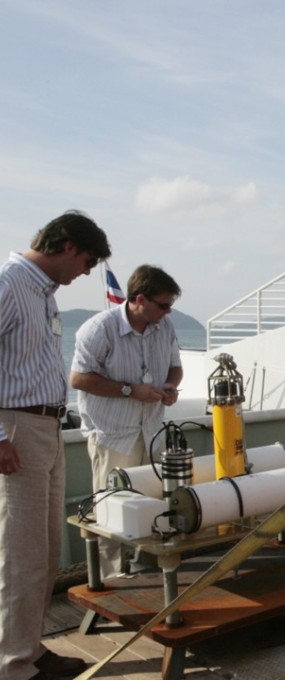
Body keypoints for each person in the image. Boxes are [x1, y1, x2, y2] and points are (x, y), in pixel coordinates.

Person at [0, 210, 110, 680]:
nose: (84, 272)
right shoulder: (9, 284)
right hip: (17, 430)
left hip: (44, 428)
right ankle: (13, 665)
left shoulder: (41, 295)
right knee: (20, 553)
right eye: (86, 262)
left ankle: (28, 648)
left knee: (43, 551)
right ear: (66, 246)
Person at [70, 265, 182, 580]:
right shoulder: (98, 329)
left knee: (156, 507)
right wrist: (130, 391)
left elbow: (175, 368)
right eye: (163, 305)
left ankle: (150, 572)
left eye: (170, 306)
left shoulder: (166, 327)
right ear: (140, 299)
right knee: (110, 509)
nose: (168, 311)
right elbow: (78, 379)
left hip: (153, 435)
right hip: (112, 436)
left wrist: (170, 387)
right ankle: (112, 579)